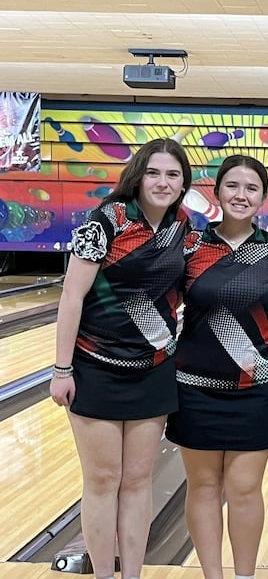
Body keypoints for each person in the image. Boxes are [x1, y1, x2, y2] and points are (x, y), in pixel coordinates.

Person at [50, 137, 191, 579]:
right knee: (104, 480)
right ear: (137, 175)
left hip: (152, 370)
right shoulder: (104, 222)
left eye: (172, 174)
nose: (163, 182)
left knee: (136, 482)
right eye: (153, 172)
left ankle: (132, 574)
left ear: (184, 182)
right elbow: (72, 297)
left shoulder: (183, 226)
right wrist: (61, 370)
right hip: (95, 367)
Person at [165, 155, 268, 579]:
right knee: (204, 487)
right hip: (195, 386)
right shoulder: (190, 245)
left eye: (251, 188)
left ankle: (244, 576)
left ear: (264, 198)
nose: (241, 195)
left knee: (246, 488)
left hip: (257, 386)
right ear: (216, 193)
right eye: (232, 186)